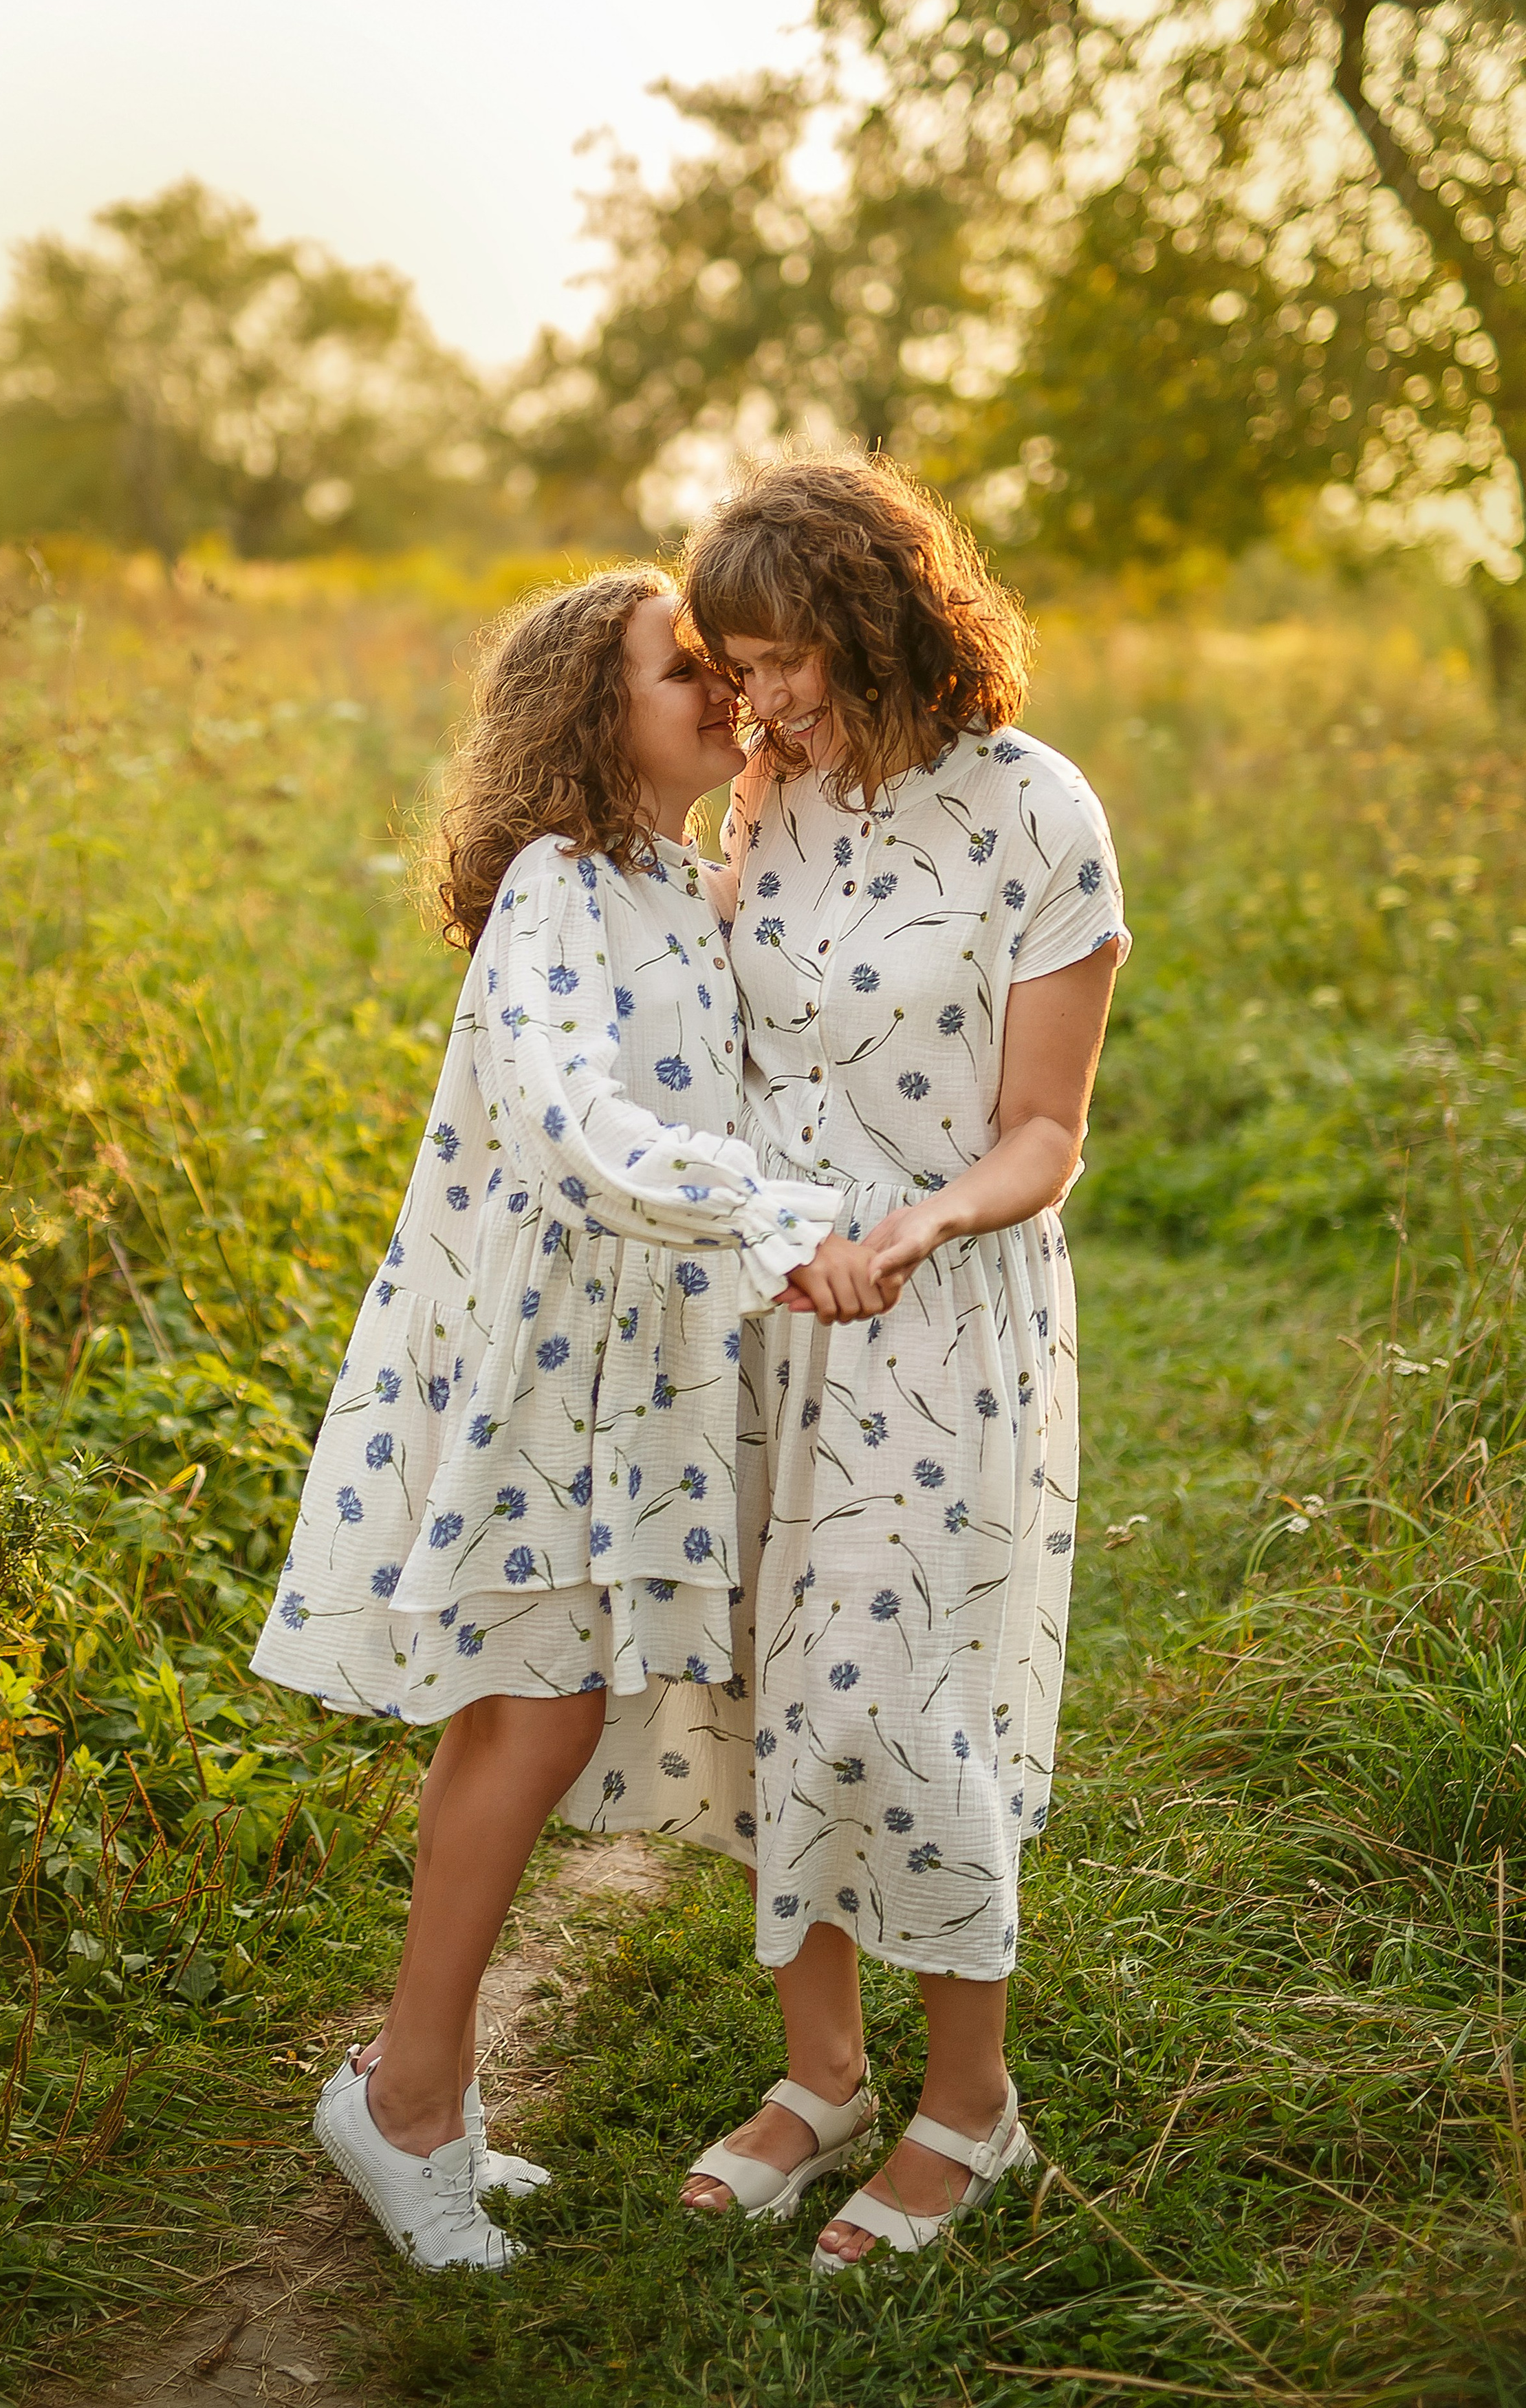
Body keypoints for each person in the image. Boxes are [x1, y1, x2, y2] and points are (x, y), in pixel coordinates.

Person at [250, 565, 886, 2271]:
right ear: (583, 710)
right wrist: (776, 1223)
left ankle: (415, 2079)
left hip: (635, 1373)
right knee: (529, 1708)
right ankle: (400, 2107)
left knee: (535, 1701)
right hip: (537, 1368)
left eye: (714, 669)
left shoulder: (679, 885)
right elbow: (575, 1116)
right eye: (677, 668)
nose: (717, 691)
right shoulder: (554, 885)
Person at [674, 453, 1129, 2271]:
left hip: (938, 1309)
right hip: (767, 1304)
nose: (759, 697)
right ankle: (823, 2071)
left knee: (899, 1693)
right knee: (763, 1689)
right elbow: (724, 1032)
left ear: (879, 618)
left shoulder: (1038, 811)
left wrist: (924, 1224)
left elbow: (1044, 1129)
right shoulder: (767, 801)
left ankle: (970, 2102)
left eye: (785, 657)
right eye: (736, 661)